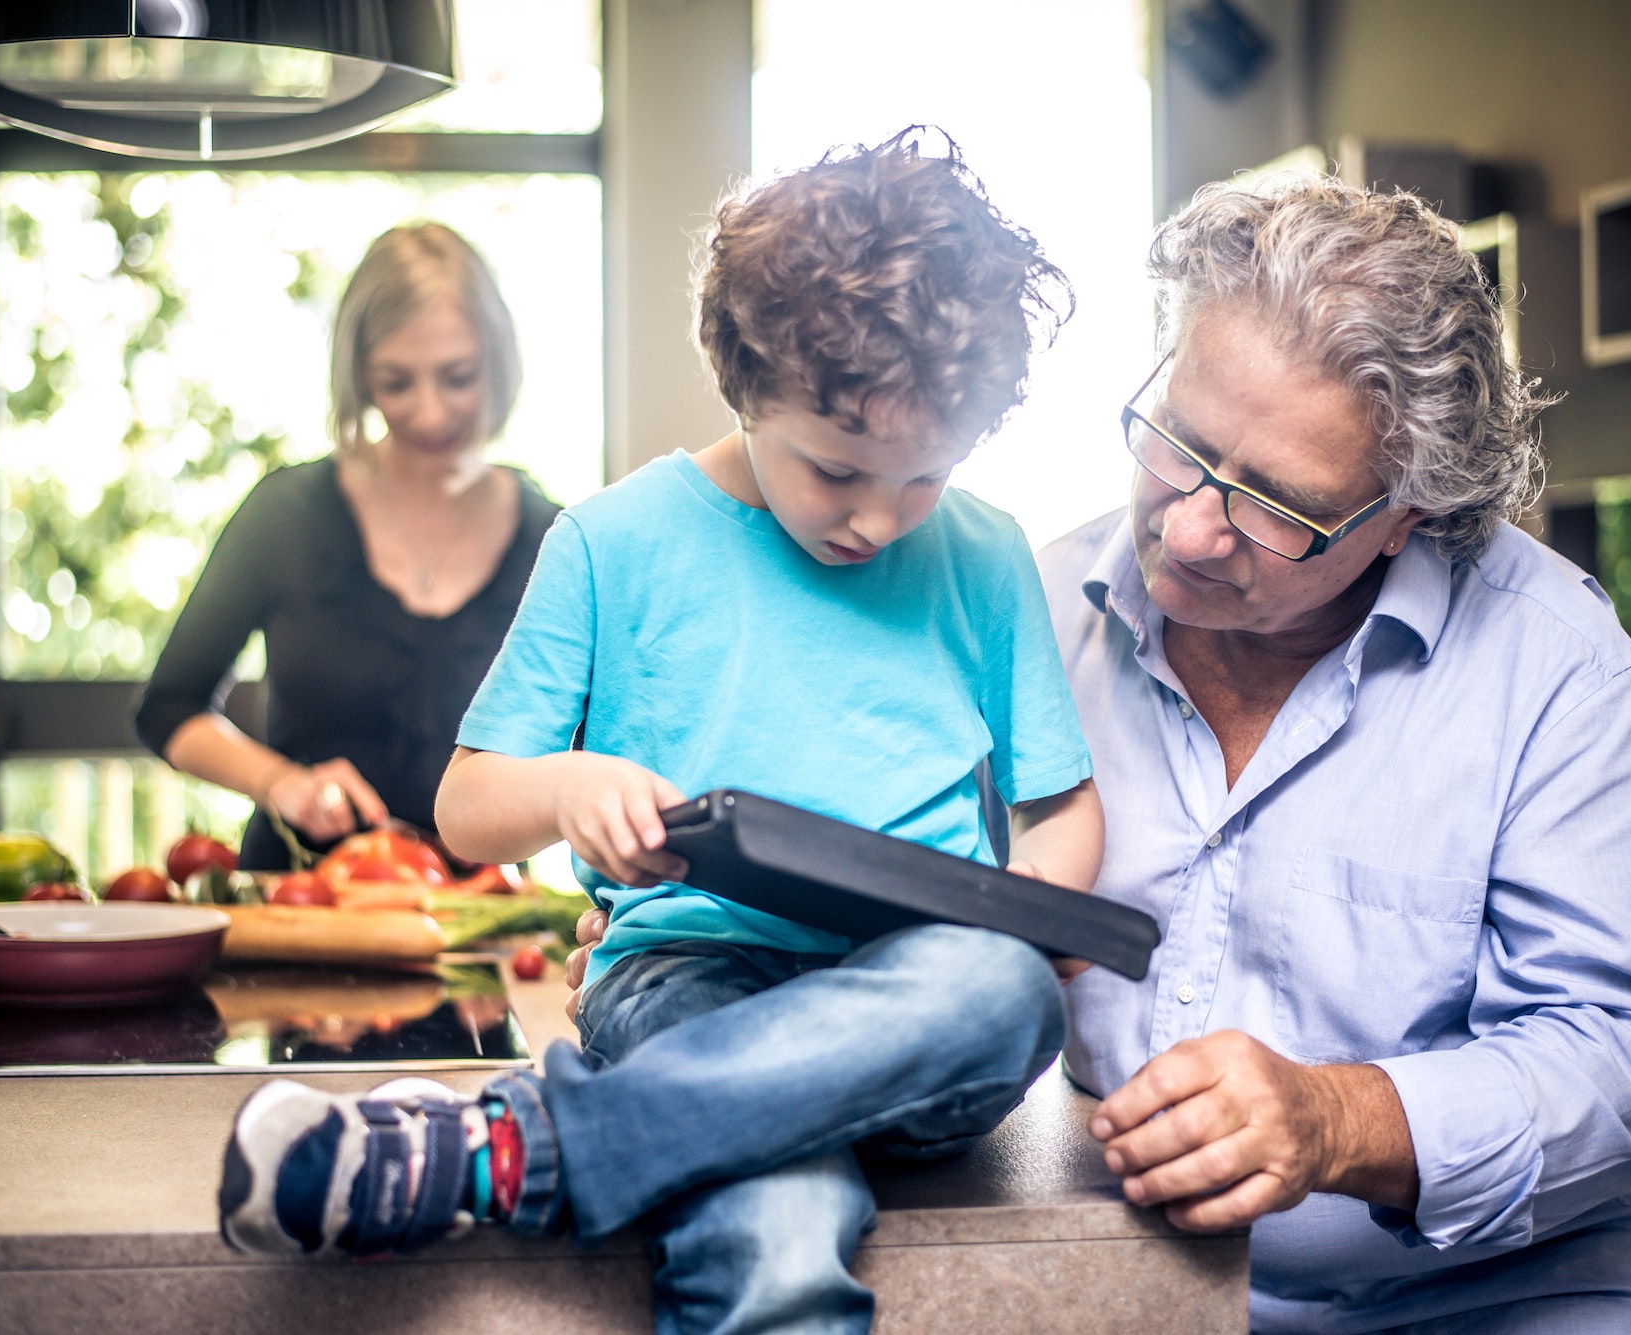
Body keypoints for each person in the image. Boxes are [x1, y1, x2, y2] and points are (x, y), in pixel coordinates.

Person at [215, 129, 1104, 1335]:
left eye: (922, 478)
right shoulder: (608, 542)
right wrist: (574, 787)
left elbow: (1058, 808)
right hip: (687, 976)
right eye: (837, 470)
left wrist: (1040, 907)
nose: (879, 521)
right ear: (742, 379)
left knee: (1002, 991)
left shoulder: (988, 556)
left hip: (913, 997)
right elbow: (470, 803)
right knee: (775, 1229)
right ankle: (575, 1143)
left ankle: (497, 1155)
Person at [1038, 175, 1631, 1333]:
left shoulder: (1556, 667)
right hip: (1131, 1289)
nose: (1191, 529)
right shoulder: (1035, 611)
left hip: (1491, 1306)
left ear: (1409, 515)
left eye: (1277, 506)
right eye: (1178, 445)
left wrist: (1336, 1120)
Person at [135, 223, 561, 868]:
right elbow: (168, 708)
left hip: (478, 919)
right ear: (359, 376)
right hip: (299, 894)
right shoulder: (286, 513)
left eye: (457, 377)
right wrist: (283, 783)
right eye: (396, 382)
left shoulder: (552, 541)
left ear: (498, 363)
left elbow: (597, 753)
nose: (429, 412)